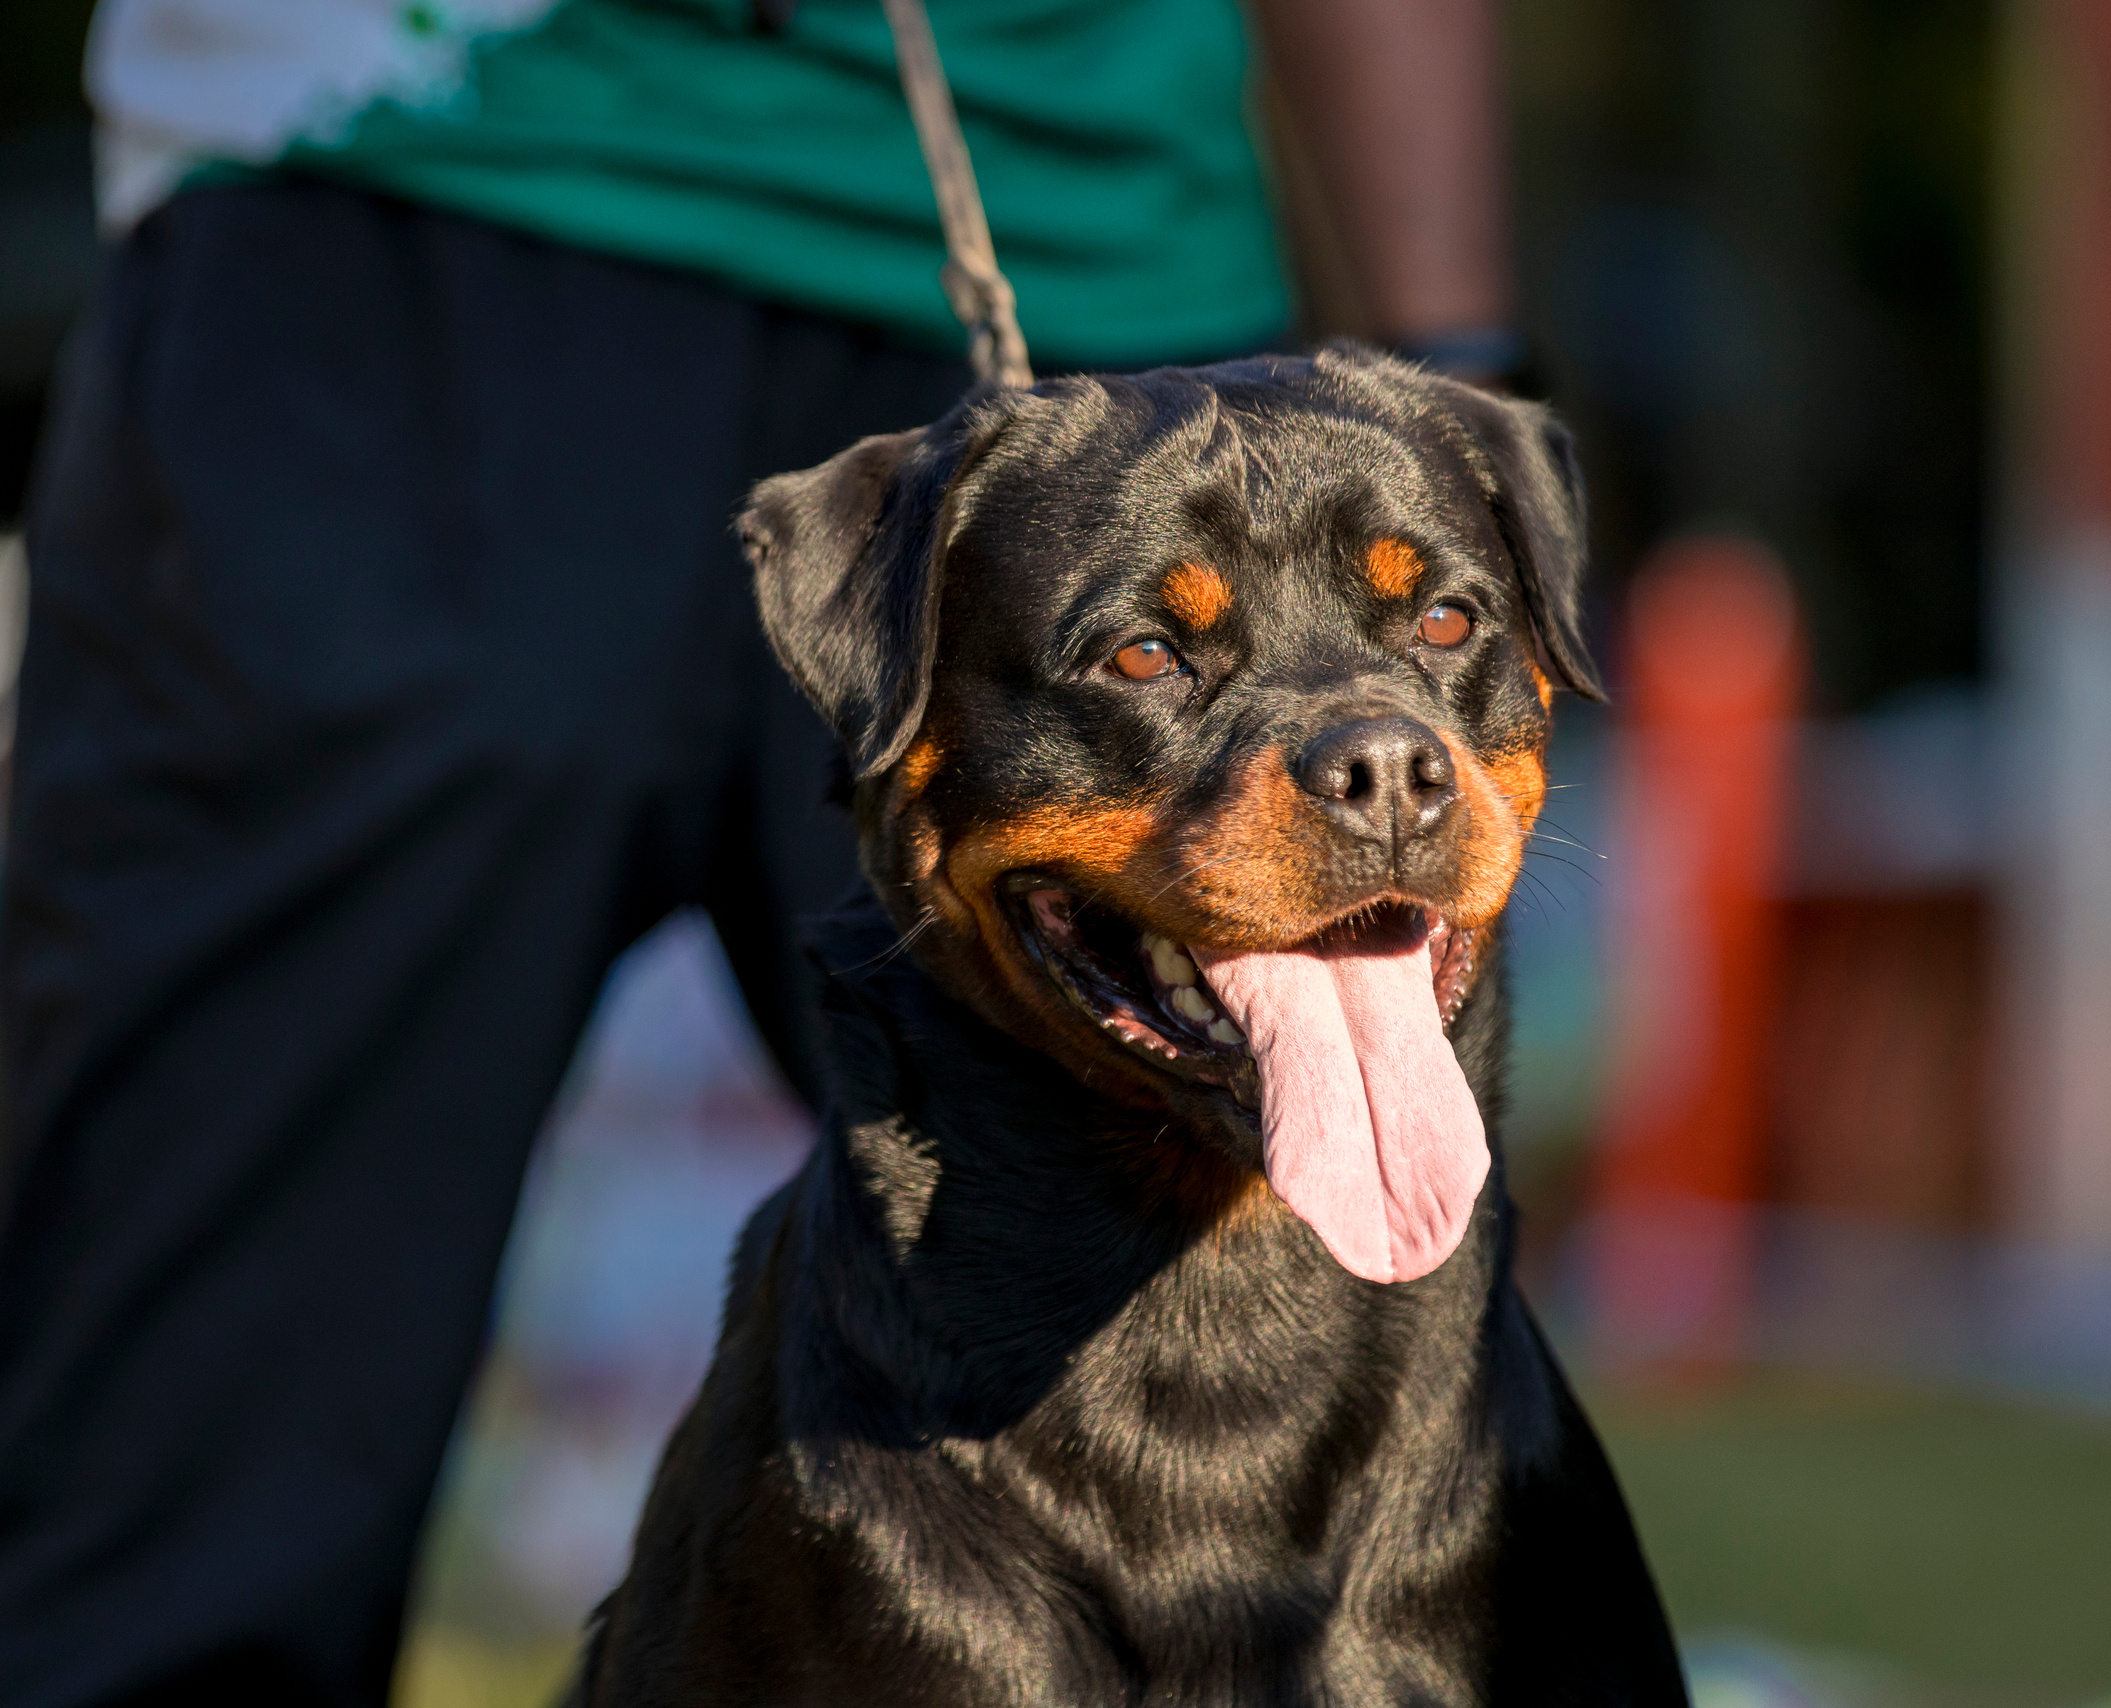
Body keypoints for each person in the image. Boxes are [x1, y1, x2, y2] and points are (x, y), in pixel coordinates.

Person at [0, 0, 1517, 1700]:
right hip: (398, 187)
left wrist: (1448, 347)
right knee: (179, 1542)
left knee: (1320, 1553)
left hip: (1093, 302)